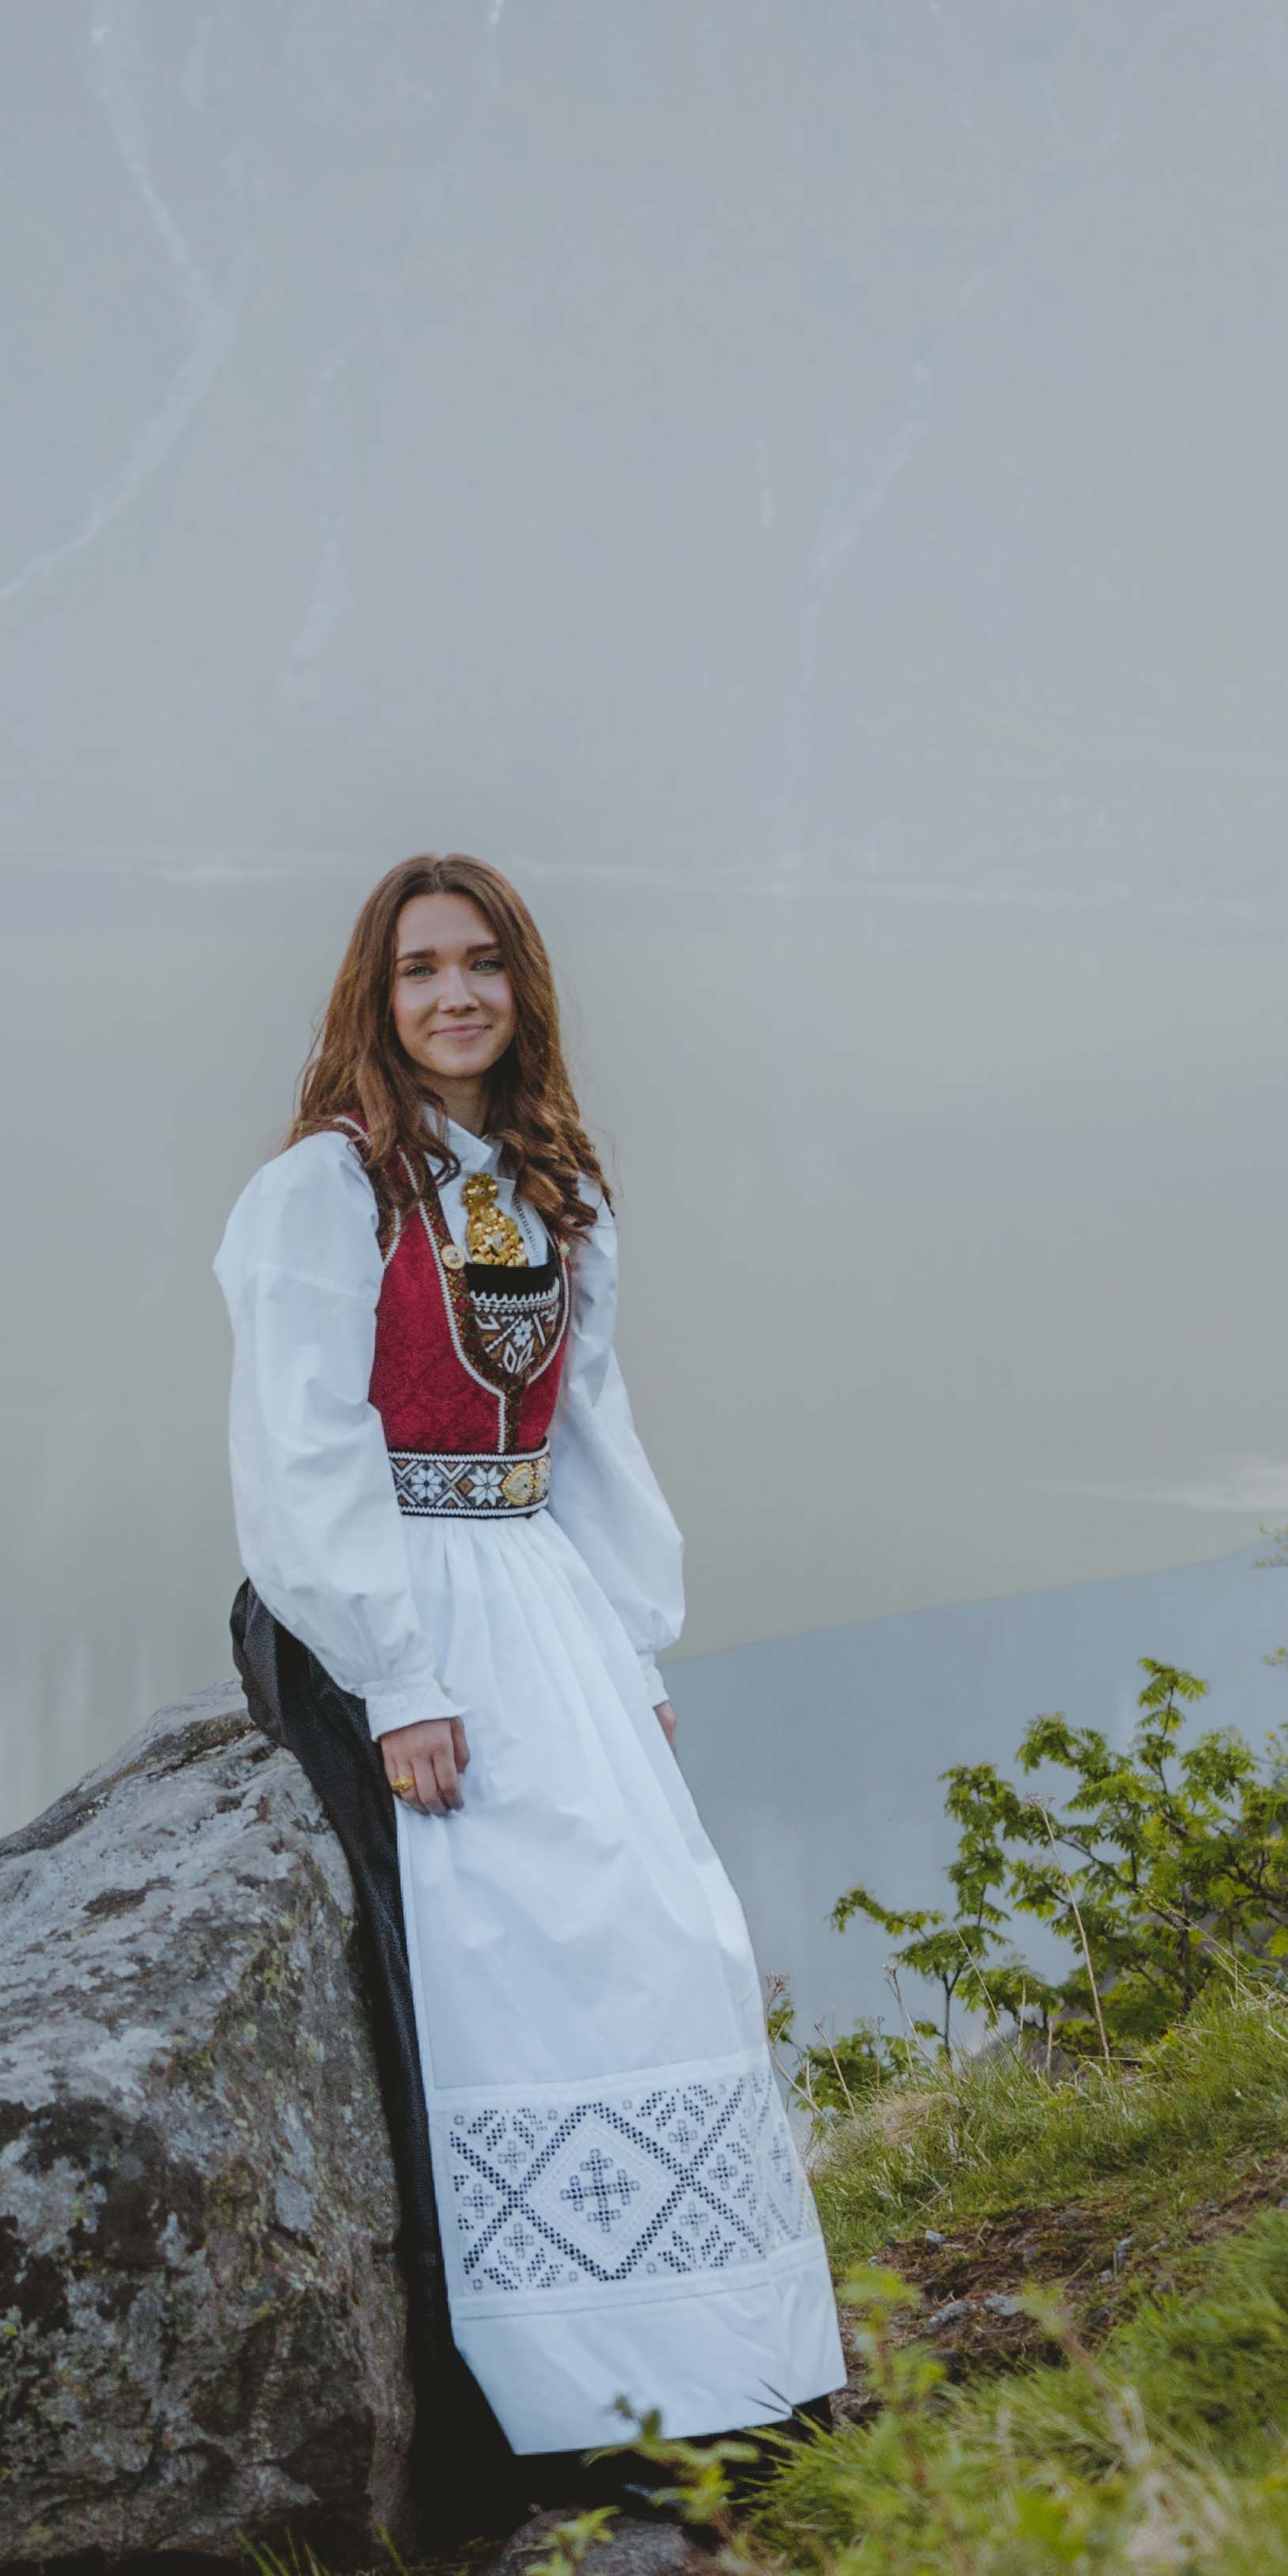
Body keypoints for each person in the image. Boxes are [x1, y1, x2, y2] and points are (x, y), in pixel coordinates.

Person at [218, 852, 848, 2475]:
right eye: (420, 968)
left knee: (655, 1930)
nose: (454, 995)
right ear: (375, 997)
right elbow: (304, 1446)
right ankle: (573, 2410)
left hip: (538, 1589)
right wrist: (398, 1676)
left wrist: (631, 1632)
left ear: (523, 990)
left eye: (482, 965)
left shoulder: (546, 1188)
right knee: (506, 1952)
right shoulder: (326, 1193)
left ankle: (718, 2357)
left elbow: (590, 1433)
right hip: (397, 1587)